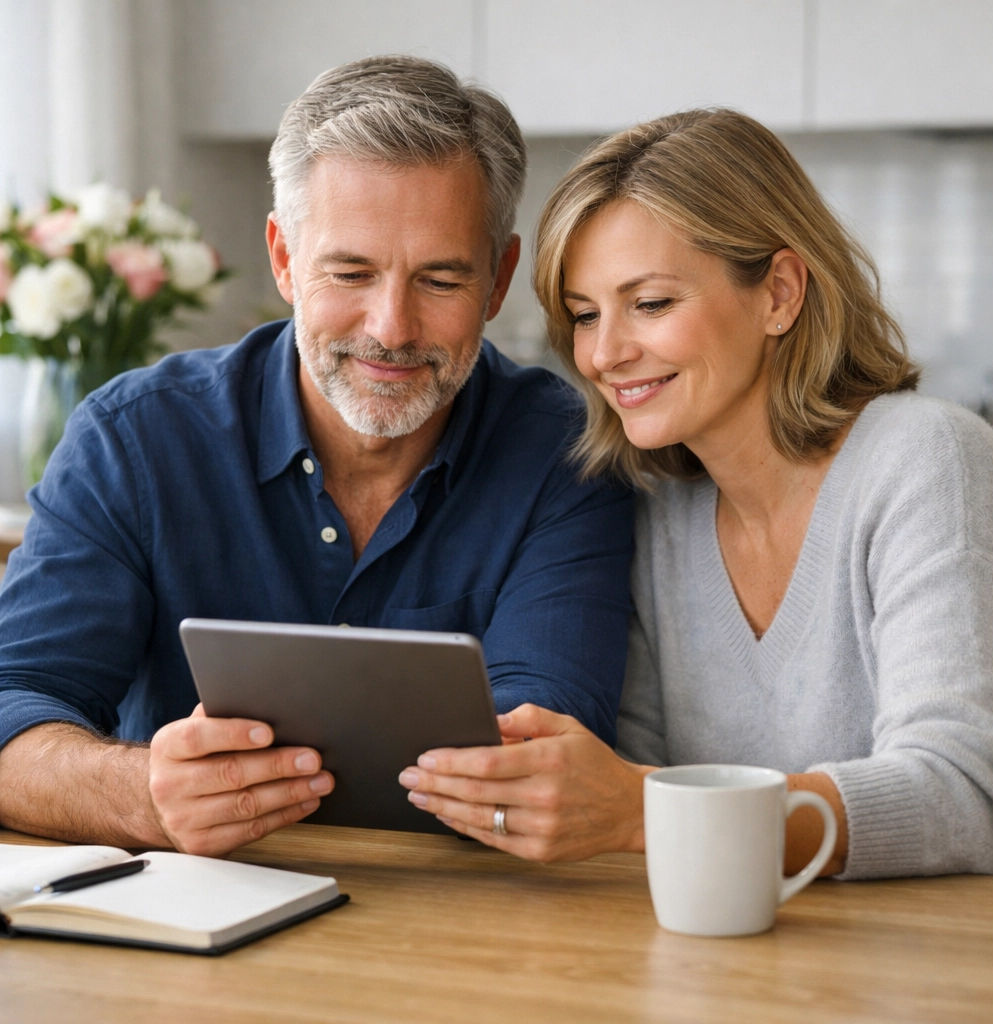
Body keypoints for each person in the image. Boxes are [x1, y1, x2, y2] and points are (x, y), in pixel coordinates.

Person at [0, 57, 633, 856]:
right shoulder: (133, 440)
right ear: (284, 258)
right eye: (350, 272)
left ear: (499, 280)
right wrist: (142, 796)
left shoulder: (568, 455)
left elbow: (546, 746)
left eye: (439, 279)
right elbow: (13, 706)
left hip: (472, 933)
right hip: (191, 931)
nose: (391, 328)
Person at [400, 109, 993, 879]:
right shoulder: (661, 510)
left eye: (652, 303)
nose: (604, 353)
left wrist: (645, 807)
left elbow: (969, 800)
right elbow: (627, 791)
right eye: (585, 315)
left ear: (780, 293)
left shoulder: (930, 460)